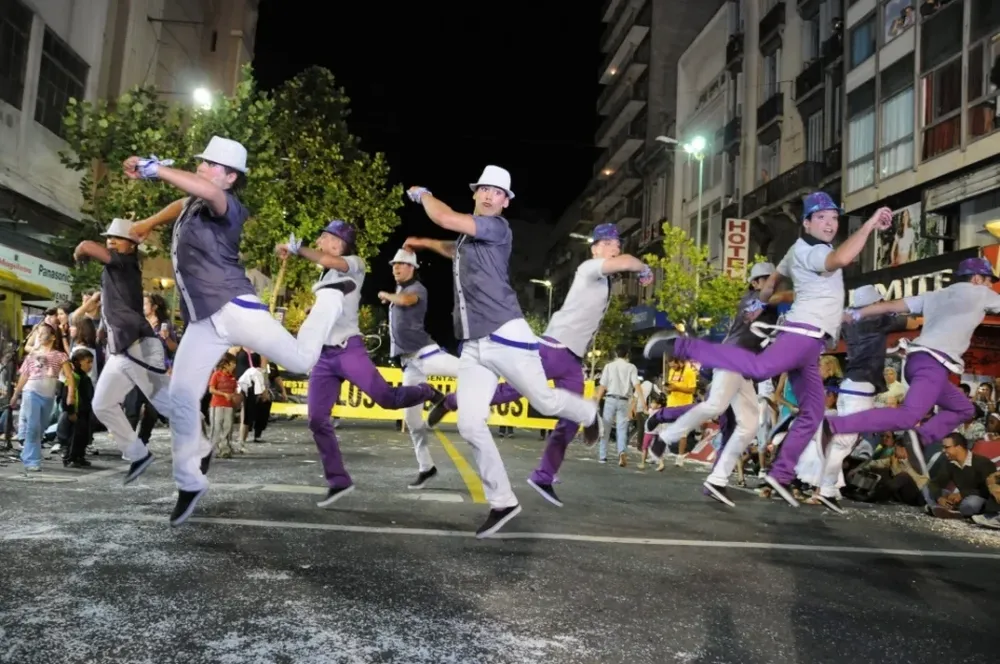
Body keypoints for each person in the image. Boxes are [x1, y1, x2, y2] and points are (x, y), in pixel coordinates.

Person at [125, 136, 342, 525]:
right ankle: (191, 477)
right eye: (202, 163)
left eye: (210, 165)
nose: (202, 169)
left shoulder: (227, 205)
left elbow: (204, 190)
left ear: (229, 177)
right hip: (203, 321)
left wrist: (156, 169)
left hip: (236, 310)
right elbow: (183, 201)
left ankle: (329, 302)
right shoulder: (194, 202)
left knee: (303, 360)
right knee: (180, 397)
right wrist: (146, 223)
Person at [644, 191, 892, 506]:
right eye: (822, 218)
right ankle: (677, 349)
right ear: (806, 223)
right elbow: (837, 261)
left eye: (833, 218)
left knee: (793, 415)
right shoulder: (811, 252)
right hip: (774, 346)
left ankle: (765, 474)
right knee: (717, 405)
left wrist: (764, 305)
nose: (830, 224)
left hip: (806, 346)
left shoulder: (787, 261)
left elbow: (776, 280)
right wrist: (869, 224)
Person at [405, 165, 601, 537]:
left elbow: (445, 218)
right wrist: (427, 244)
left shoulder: (496, 228)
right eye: (485, 190)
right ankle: (503, 501)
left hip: (505, 333)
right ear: (476, 193)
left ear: (506, 203)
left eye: (499, 192)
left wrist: (423, 194)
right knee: (469, 423)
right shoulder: (470, 239)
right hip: (474, 344)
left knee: (543, 402)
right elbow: (455, 247)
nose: (490, 195)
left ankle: (587, 412)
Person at [425, 223, 653, 504]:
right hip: (553, 348)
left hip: (573, 360)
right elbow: (629, 261)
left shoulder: (604, 280)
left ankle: (543, 476)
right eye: (607, 244)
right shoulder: (589, 269)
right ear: (595, 248)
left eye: (617, 244)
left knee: (569, 420)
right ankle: (452, 401)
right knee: (511, 391)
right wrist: (643, 268)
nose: (615, 249)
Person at [277, 222, 443, 507]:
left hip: (349, 350)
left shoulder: (354, 263)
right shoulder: (326, 273)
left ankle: (427, 391)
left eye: (324, 236)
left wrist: (297, 248)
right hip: (324, 357)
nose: (318, 240)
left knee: (388, 401)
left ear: (338, 243)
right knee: (317, 420)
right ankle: (338, 481)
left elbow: (328, 260)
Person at [823, 257, 998, 476]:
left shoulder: (935, 295)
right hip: (932, 364)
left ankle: (921, 437)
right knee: (907, 416)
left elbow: (893, 305)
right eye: (989, 280)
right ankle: (835, 425)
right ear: (976, 278)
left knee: (964, 408)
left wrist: (856, 313)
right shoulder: (980, 292)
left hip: (918, 363)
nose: (991, 286)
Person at [73, 218, 179, 483]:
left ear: (132, 245)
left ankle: (198, 444)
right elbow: (114, 305)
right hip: (122, 351)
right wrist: (104, 327)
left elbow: (86, 244)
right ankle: (138, 454)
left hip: (139, 346)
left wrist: (79, 254)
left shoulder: (125, 263)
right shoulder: (115, 269)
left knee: (164, 403)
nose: (111, 241)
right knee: (102, 404)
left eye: (117, 238)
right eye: (109, 237)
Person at [806, 285, 918, 513]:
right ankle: (824, 491)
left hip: (850, 386)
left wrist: (893, 352)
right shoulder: (876, 319)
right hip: (860, 388)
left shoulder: (850, 321)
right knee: (844, 442)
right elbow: (914, 322)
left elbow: (868, 350)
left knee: (841, 440)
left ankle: (829, 488)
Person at [378, 248, 458, 490]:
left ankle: (445, 400)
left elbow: (407, 301)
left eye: (401, 264)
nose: (396, 268)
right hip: (410, 363)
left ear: (412, 268)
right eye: (394, 265)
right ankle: (426, 467)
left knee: (469, 370)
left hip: (426, 353)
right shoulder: (400, 289)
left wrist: (387, 295)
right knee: (411, 419)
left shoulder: (416, 290)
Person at [9, 324, 74, 471]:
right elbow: (24, 376)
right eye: (38, 333)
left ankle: (27, 453)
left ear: (52, 337)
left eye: (43, 333)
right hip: (31, 392)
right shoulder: (31, 355)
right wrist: (15, 395)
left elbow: (69, 377)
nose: (39, 336)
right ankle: (33, 461)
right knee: (33, 426)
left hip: (48, 396)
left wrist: (70, 395)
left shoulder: (60, 355)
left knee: (41, 427)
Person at [208, 354, 240, 457]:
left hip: (229, 406)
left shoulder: (233, 378)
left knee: (227, 427)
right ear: (225, 365)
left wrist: (235, 396)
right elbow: (211, 389)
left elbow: (235, 391)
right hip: (217, 405)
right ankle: (213, 449)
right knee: (216, 427)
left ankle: (225, 449)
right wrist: (223, 394)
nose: (234, 366)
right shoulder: (216, 375)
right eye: (232, 363)